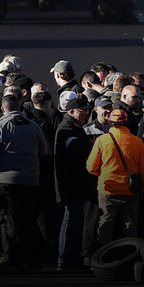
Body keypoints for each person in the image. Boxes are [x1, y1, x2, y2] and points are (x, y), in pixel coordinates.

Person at [0, 94, 49, 272]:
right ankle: (32, 258)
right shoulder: (34, 126)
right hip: (30, 179)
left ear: (3, 109)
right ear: (19, 107)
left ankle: (11, 256)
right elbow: (43, 150)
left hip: (6, 180)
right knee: (28, 219)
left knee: (9, 220)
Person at [86, 107, 144, 246]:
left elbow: (91, 167)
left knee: (105, 227)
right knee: (130, 227)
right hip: (131, 191)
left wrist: (102, 174)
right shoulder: (137, 142)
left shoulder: (102, 140)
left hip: (108, 190)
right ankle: (132, 259)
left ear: (110, 122)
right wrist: (143, 187)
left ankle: (103, 262)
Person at [54, 94, 98, 270]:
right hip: (71, 185)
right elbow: (79, 148)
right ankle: (65, 259)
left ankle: (71, 258)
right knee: (71, 220)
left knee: (75, 221)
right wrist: (96, 143)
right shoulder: (67, 129)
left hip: (77, 185)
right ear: (72, 112)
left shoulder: (73, 128)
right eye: (83, 111)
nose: (86, 115)